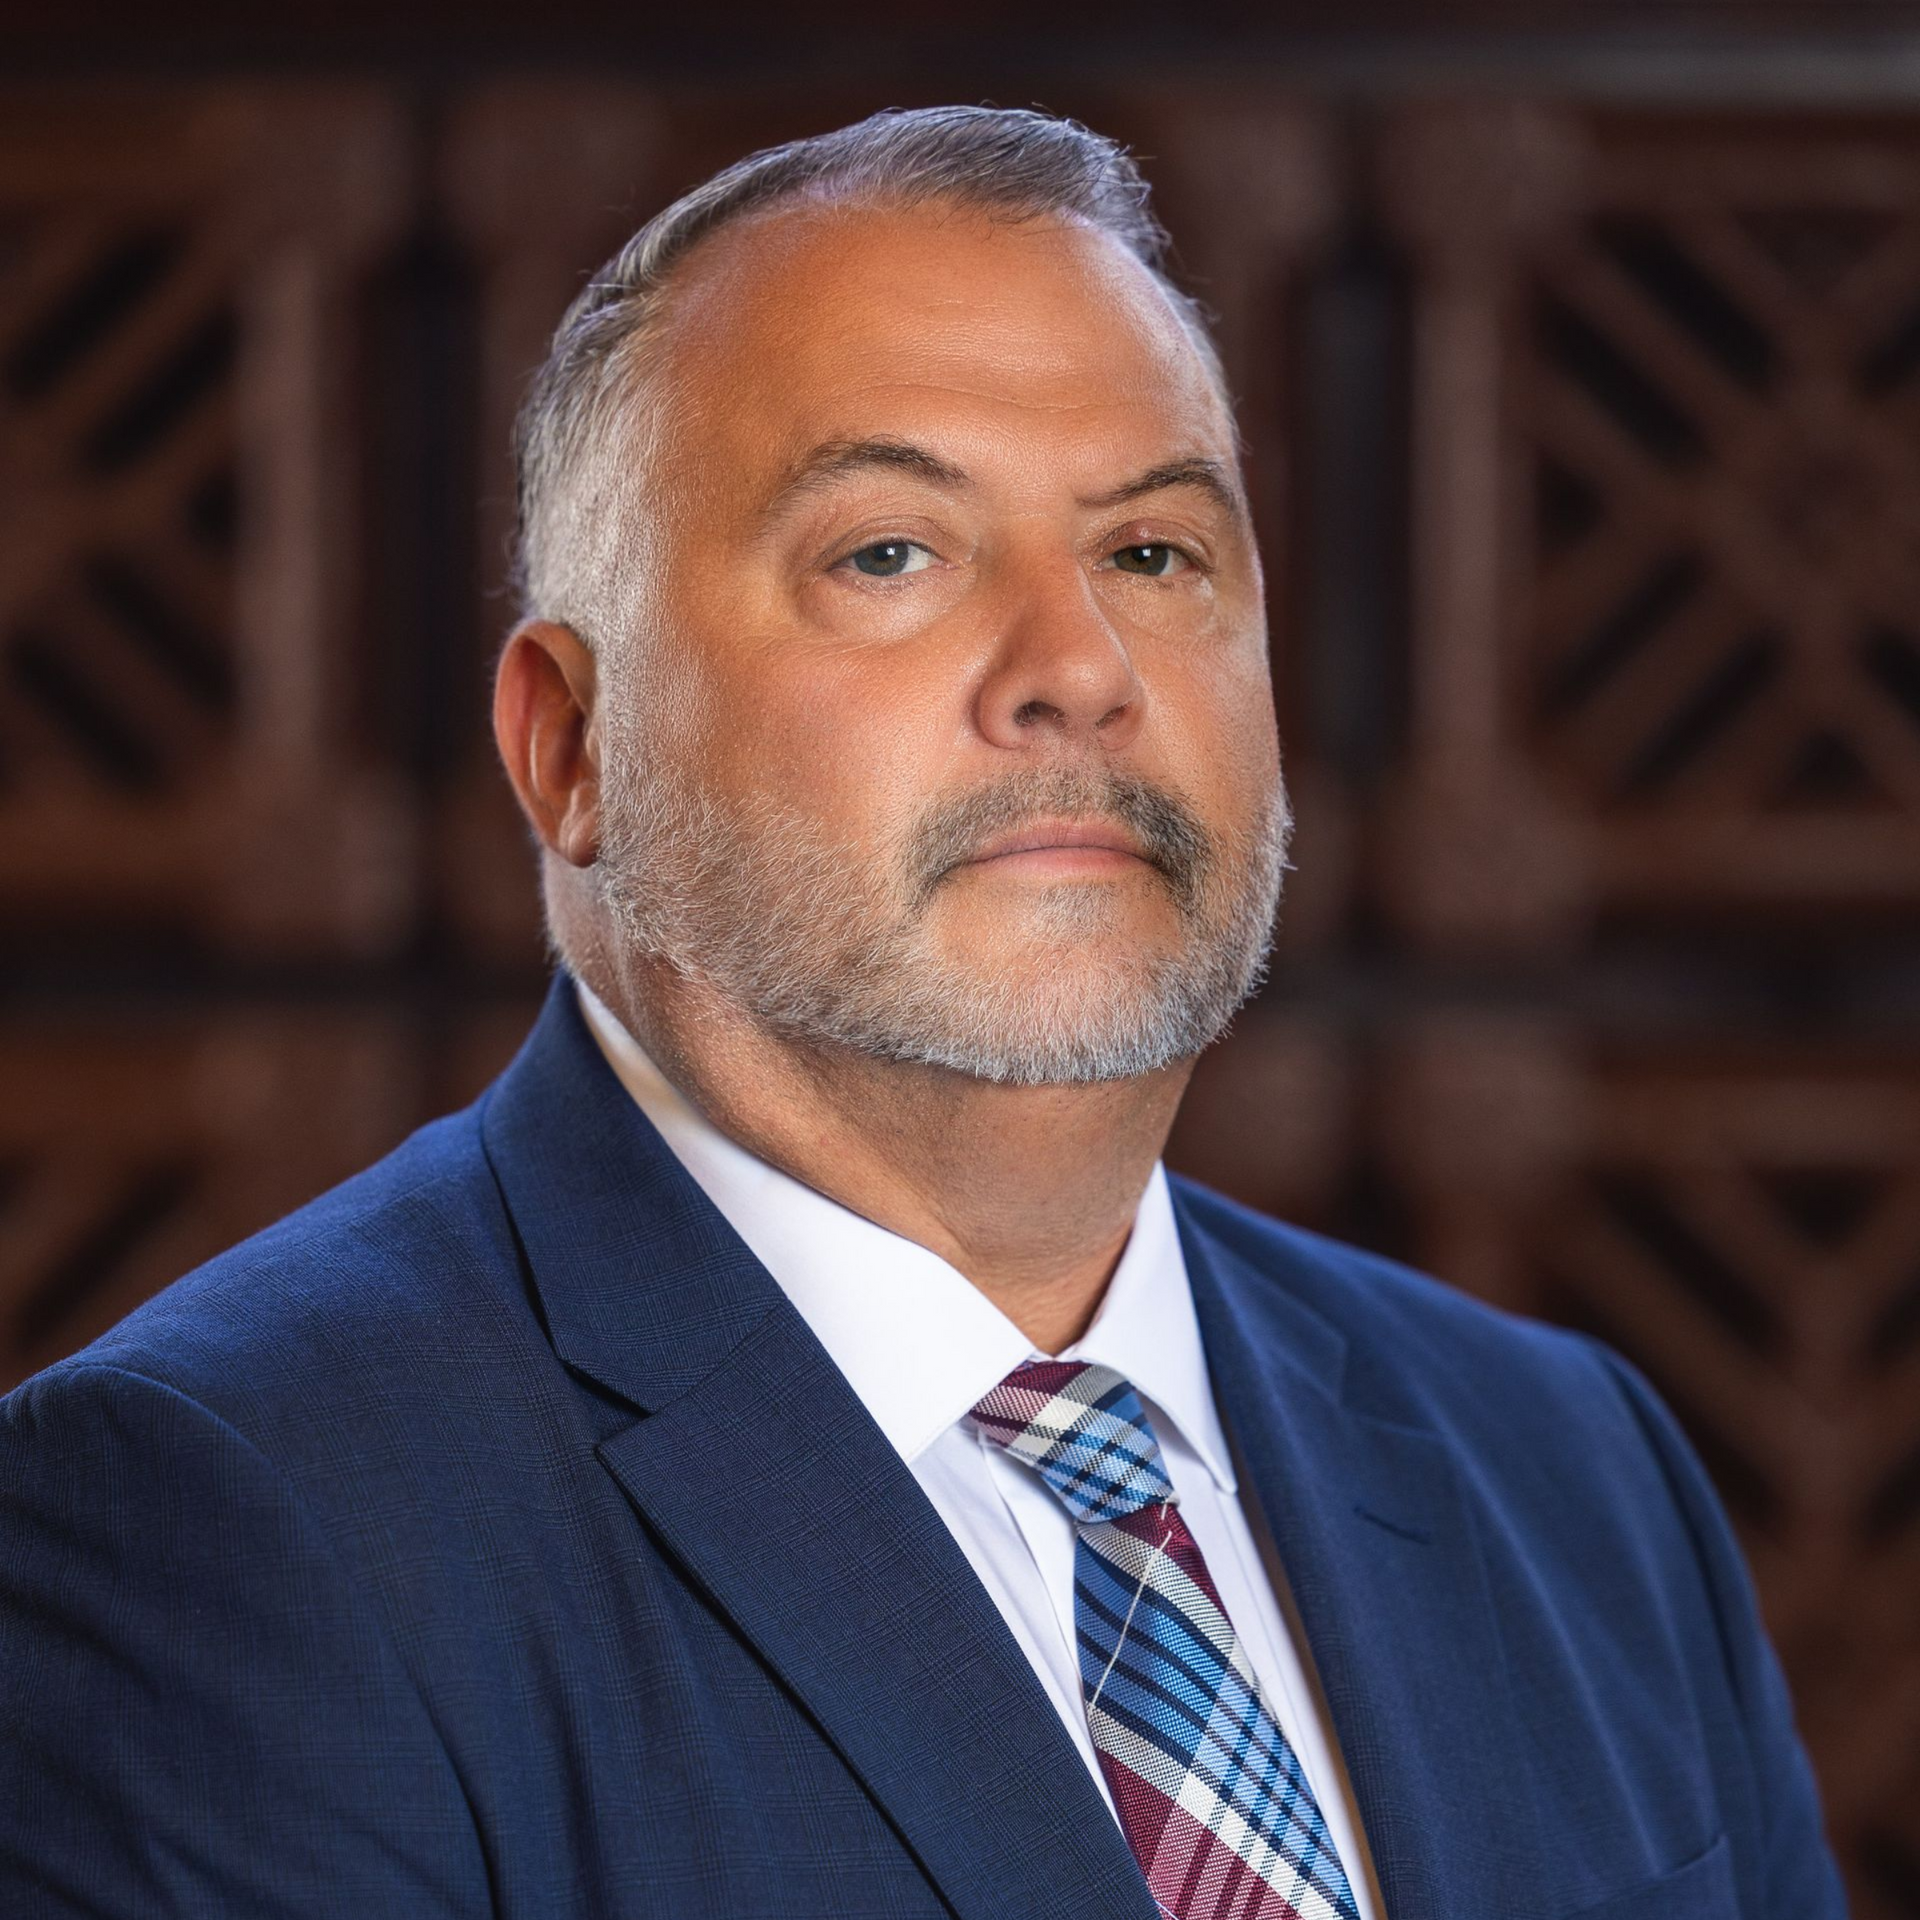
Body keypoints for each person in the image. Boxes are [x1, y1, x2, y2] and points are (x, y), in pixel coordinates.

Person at [0, 106, 1842, 1920]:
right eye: (891, 552)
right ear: (573, 747)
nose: (1079, 671)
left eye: (1152, 555)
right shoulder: (234, 1520)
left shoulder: (1569, 1466)